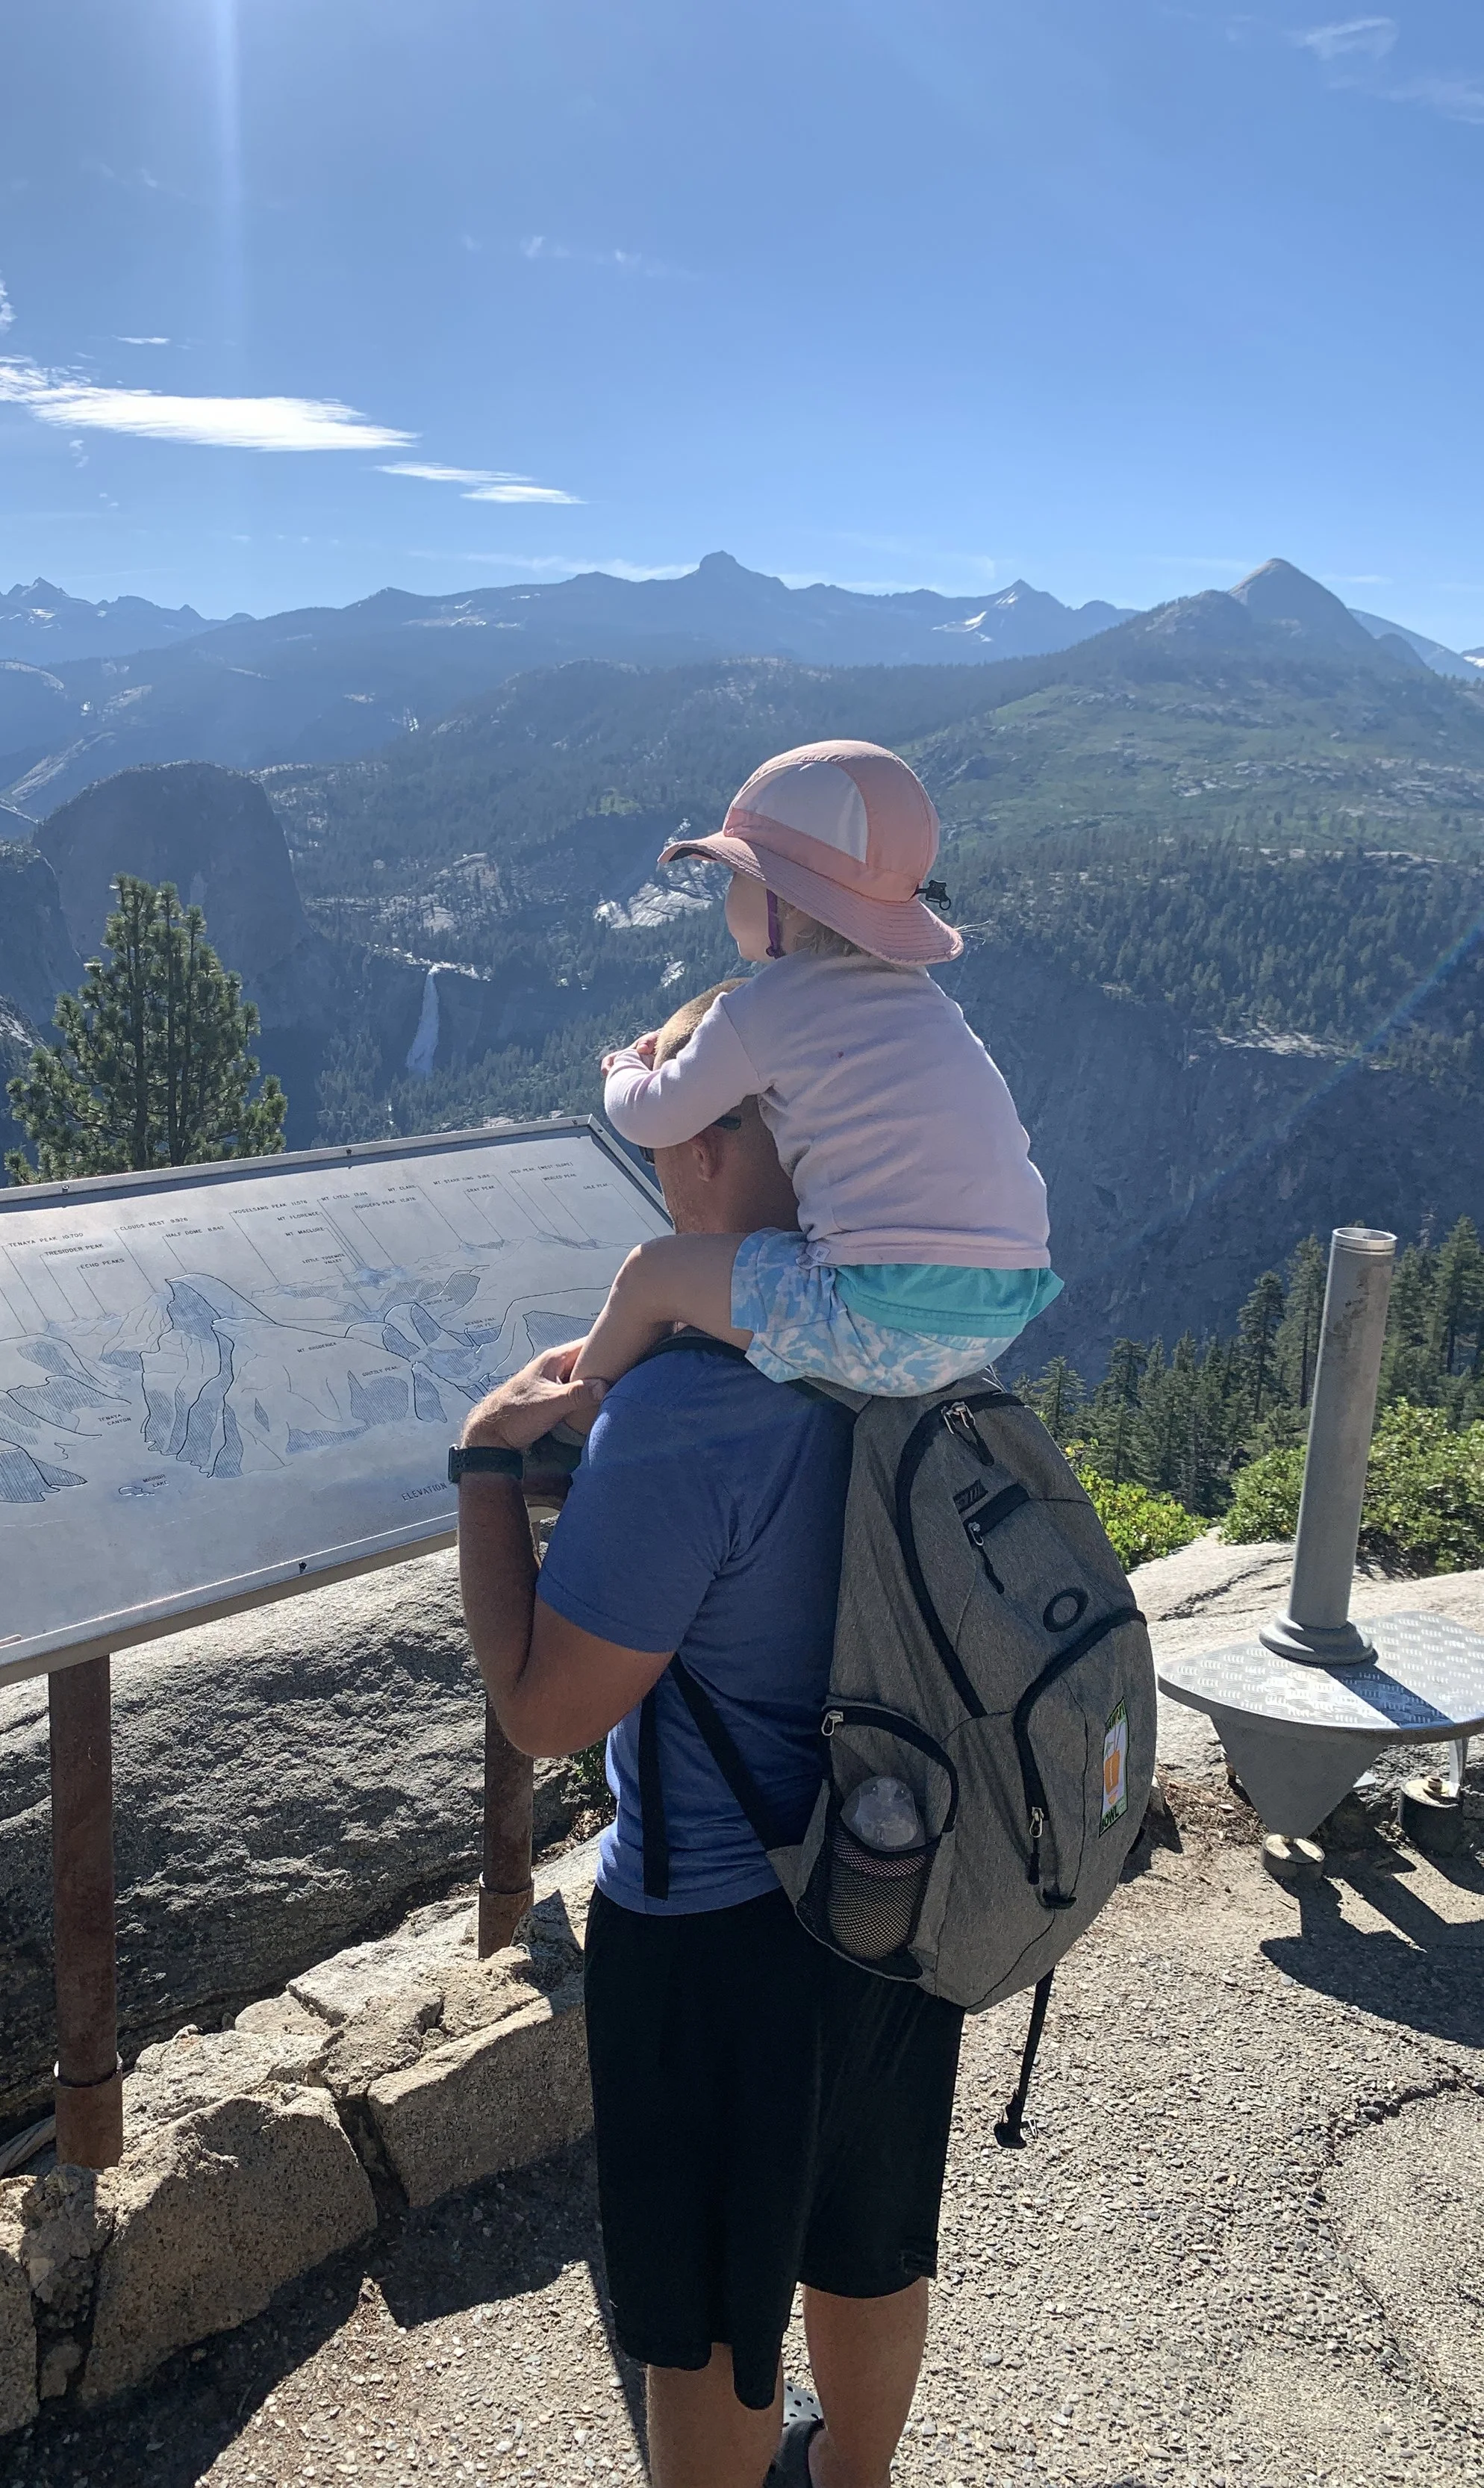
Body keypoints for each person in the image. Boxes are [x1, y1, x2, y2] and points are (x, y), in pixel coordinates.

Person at [455, 983, 966, 2488]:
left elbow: (544, 1711)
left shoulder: (686, 1408)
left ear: (719, 1146)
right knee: (867, 2224)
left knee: (701, 2318)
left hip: (719, 1927)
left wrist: (485, 1465)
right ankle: (849, 2478)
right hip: (894, 1865)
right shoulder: (913, 1334)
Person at [572, 740, 1061, 1397]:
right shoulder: (927, 1001)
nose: (728, 899)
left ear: (787, 899)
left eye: (738, 877)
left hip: (879, 1316)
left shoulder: (773, 1004)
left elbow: (653, 1116)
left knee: (650, 1276)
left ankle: (575, 1425)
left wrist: (624, 1067)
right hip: (1005, 1307)